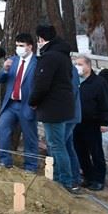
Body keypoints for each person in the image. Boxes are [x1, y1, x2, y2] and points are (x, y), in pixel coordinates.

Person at [29, 25, 78, 193]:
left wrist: (33, 101)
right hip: (62, 107)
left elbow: (42, 84)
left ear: (41, 39)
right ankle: (60, 177)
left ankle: (64, 180)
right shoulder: (63, 55)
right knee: (58, 144)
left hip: (53, 108)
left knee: (56, 145)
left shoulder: (50, 57)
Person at [0, 33, 39, 171]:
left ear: (30, 47)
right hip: (11, 104)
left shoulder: (37, 63)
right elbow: (0, 79)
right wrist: (5, 69)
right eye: (17, 45)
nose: (18, 48)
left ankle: (31, 166)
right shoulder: (12, 60)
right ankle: (5, 161)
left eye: (21, 46)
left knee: (29, 136)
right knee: (1, 128)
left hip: (27, 105)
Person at [74, 55, 108, 191]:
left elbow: (105, 103)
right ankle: (88, 177)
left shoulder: (99, 82)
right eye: (76, 64)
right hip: (76, 122)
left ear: (88, 66)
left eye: (80, 64)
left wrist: (105, 121)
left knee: (95, 151)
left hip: (92, 122)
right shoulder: (75, 81)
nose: (77, 66)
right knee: (80, 152)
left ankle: (99, 179)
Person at [63, 63, 83, 192]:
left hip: (68, 115)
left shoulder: (69, 69)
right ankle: (75, 178)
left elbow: (71, 92)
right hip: (69, 115)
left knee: (61, 146)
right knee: (68, 147)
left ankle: (69, 180)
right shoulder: (69, 68)